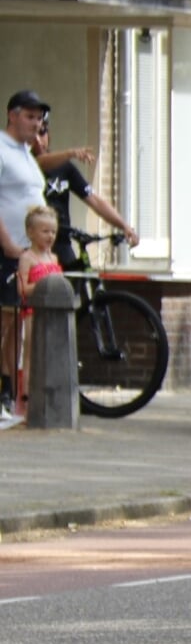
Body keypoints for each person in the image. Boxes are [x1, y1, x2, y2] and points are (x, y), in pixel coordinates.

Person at [0, 90, 51, 416]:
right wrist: (6, 242)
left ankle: (9, 392)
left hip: (26, 252)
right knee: (4, 321)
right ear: (12, 115)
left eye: (39, 118)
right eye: (30, 117)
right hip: (8, 249)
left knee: (16, 324)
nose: (36, 124)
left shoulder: (26, 153)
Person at [33, 113, 139, 270]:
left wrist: (123, 225)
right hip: (34, 243)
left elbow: (94, 200)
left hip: (62, 240)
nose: (38, 140)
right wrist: (70, 153)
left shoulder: (64, 167)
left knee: (75, 280)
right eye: (33, 135)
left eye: (42, 133)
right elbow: (39, 163)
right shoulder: (26, 164)